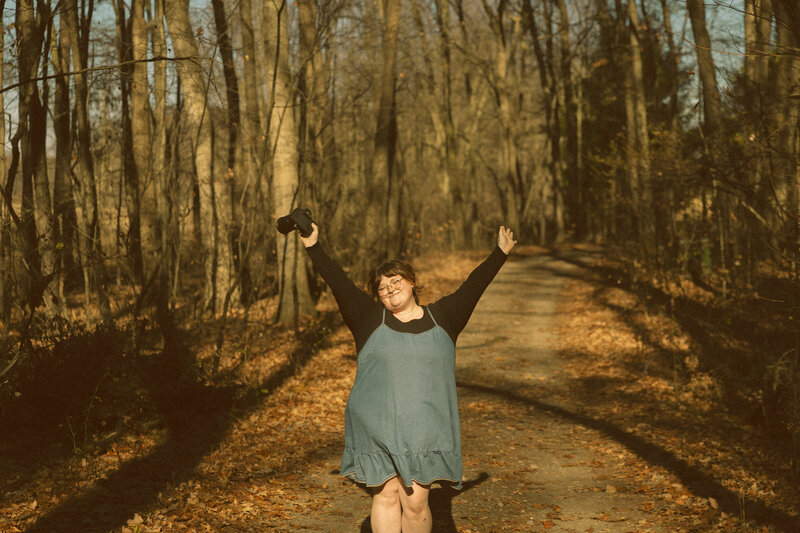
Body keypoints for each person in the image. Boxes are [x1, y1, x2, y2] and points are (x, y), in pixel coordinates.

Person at [301, 224, 517, 533]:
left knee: (415, 502)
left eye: (395, 281)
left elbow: (473, 286)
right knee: (386, 495)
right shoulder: (368, 319)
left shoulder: (444, 317)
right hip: (377, 425)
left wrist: (500, 253)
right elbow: (339, 283)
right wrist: (313, 246)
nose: (389, 289)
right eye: (382, 287)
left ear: (411, 282)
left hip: (424, 428)